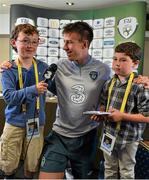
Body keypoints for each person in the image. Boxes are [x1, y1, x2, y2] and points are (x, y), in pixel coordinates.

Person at [38, 21, 111, 179]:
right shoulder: (59, 66)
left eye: (69, 42)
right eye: (64, 42)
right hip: (59, 136)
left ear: (84, 44)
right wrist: (11, 66)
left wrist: (142, 81)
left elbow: (114, 94)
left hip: (86, 138)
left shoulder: (104, 70)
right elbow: (35, 74)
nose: (64, 47)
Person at [91, 42, 149, 179]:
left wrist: (122, 116)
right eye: (115, 59)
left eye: (123, 60)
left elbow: (147, 116)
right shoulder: (109, 83)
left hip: (128, 138)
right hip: (109, 135)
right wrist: (100, 113)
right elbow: (104, 103)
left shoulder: (140, 86)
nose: (117, 63)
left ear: (135, 64)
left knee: (126, 171)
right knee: (109, 168)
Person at [0, 24, 48, 179]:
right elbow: (9, 97)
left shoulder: (43, 68)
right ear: (14, 42)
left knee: (32, 163)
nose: (30, 46)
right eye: (25, 41)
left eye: (34, 42)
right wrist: (33, 89)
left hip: (36, 123)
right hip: (14, 123)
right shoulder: (9, 70)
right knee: (8, 163)